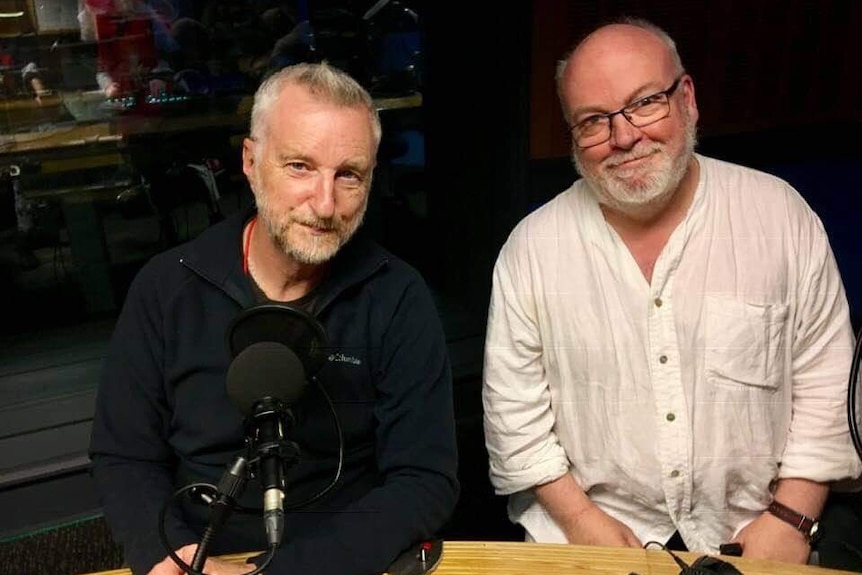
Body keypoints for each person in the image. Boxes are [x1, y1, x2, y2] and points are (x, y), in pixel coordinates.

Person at [482, 16, 861, 566]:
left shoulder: (781, 216)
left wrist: (791, 521)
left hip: (765, 524)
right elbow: (513, 417)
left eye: (644, 103)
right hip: (587, 531)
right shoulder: (531, 249)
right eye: (593, 121)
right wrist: (583, 523)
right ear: (572, 134)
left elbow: (828, 382)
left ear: (687, 98)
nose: (624, 136)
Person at [89, 61, 459, 575]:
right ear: (250, 160)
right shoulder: (166, 288)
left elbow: (424, 478)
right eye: (300, 167)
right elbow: (124, 454)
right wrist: (170, 556)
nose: (325, 205)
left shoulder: (397, 296)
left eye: (348, 175)